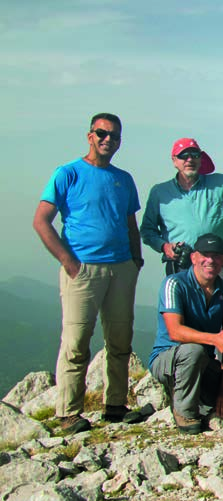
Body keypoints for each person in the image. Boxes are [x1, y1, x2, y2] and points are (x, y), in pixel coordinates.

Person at [33, 113, 143, 434]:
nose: (108, 140)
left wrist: (135, 261)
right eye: (102, 133)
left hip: (121, 268)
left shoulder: (123, 178)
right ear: (89, 135)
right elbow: (42, 220)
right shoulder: (67, 173)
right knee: (77, 340)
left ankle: (115, 407)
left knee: (120, 340)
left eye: (115, 136)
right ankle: (68, 413)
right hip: (82, 269)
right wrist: (68, 261)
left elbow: (129, 224)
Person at [149, 234, 223, 434]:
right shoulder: (174, 283)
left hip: (204, 363)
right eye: (205, 255)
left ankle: (204, 403)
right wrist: (213, 339)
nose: (210, 261)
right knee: (194, 351)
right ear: (193, 257)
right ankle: (185, 412)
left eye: (216, 256)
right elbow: (175, 331)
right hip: (168, 358)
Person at [141, 118, 223, 276]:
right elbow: (147, 230)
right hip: (180, 265)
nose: (190, 159)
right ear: (174, 161)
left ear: (200, 159)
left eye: (194, 154)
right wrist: (164, 247)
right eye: (183, 155)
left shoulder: (221, 184)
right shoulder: (159, 192)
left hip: (216, 264)